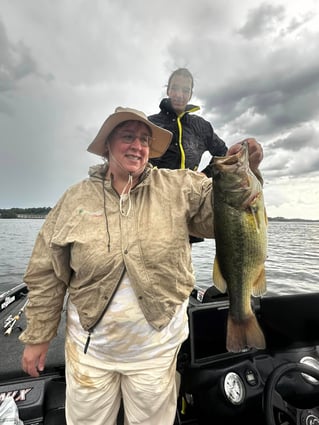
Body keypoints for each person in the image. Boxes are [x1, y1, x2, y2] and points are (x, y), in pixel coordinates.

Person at [20, 107, 263, 425]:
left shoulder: (178, 186)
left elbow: (223, 212)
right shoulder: (74, 199)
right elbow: (47, 271)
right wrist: (39, 334)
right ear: (107, 144)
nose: (137, 145)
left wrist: (250, 170)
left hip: (156, 350)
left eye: (144, 139)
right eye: (128, 136)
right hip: (91, 351)